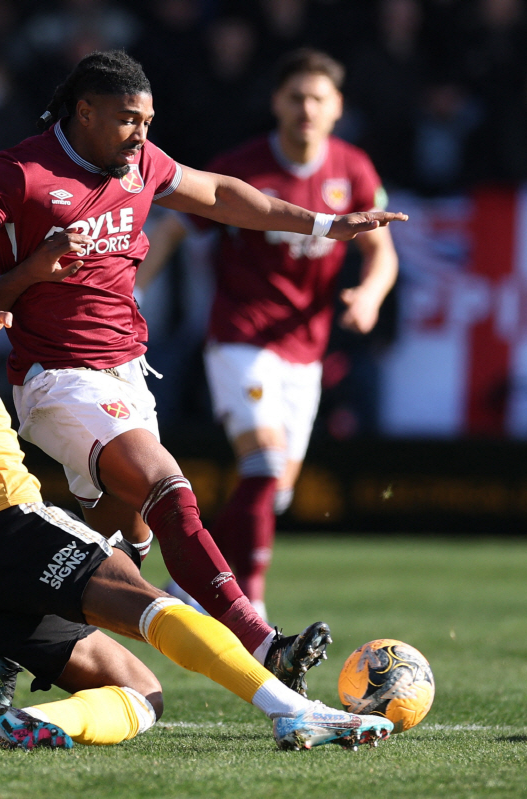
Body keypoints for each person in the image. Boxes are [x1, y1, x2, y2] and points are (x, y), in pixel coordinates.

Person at [0, 228, 393, 751]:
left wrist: (7, 290)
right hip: (9, 525)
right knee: (161, 610)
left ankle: (25, 721)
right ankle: (292, 711)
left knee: (140, 694)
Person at [0, 51, 405, 683]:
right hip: (58, 379)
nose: (143, 136)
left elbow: (216, 193)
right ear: (85, 111)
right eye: (130, 120)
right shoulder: (20, 171)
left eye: (149, 121)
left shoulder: (139, 163)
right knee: (170, 487)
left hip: (130, 374)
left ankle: (3, 630)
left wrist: (324, 223)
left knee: (124, 550)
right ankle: (265, 643)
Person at [136, 49, 399, 621]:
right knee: (262, 468)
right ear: (278, 103)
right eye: (296, 96)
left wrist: (370, 296)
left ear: (337, 109)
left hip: (305, 351)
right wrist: (133, 288)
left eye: (318, 98)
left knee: (275, 491)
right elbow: (176, 225)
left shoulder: (352, 170)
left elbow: (382, 252)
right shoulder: (245, 168)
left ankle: (189, 586)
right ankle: (247, 605)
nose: (306, 107)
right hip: (241, 338)